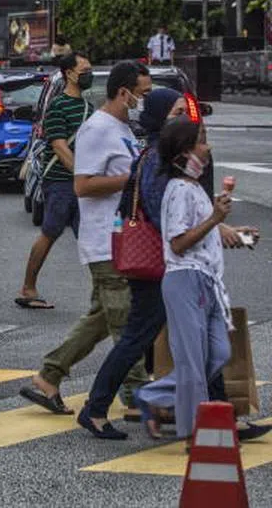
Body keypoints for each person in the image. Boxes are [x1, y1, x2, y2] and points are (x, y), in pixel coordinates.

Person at [80, 93, 268, 441]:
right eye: (177, 113)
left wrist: (223, 228)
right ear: (159, 119)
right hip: (163, 265)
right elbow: (165, 215)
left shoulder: (171, 164)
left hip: (179, 265)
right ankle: (99, 407)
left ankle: (217, 414)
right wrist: (216, 224)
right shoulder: (157, 161)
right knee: (142, 337)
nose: (185, 118)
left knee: (200, 346)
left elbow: (190, 212)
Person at [20, 60, 152, 421]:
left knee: (100, 318)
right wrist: (131, 181)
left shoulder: (121, 128)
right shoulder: (98, 130)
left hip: (121, 240)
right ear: (124, 93)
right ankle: (138, 396)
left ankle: (48, 377)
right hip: (104, 241)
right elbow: (83, 184)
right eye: (143, 94)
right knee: (127, 321)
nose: (145, 100)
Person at [134, 119, 257, 440]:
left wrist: (237, 235)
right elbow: (177, 242)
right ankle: (197, 434)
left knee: (217, 353)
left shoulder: (196, 191)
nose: (208, 147)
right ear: (185, 151)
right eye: (202, 141)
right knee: (192, 363)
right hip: (184, 280)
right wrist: (216, 218)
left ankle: (153, 397)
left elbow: (204, 236)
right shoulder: (177, 191)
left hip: (207, 281)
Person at [17, 52, 93, 309]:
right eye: (84, 71)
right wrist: (83, 176)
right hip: (60, 183)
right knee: (50, 233)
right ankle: (28, 287)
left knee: (91, 238)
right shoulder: (57, 107)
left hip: (81, 184)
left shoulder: (87, 108)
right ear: (69, 74)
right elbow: (60, 148)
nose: (88, 75)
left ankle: (104, 291)